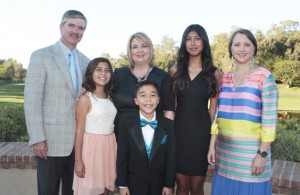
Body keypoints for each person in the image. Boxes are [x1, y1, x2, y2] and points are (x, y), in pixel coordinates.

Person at [24, 10, 90, 195]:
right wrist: (37, 138)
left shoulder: (87, 62)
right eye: (71, 25)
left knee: (74, 192)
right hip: (50, 142)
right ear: (61, 27)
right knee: (47, 191)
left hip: (78, 145)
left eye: (81, 28)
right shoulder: (41, 56)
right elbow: (32, 101)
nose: (76, 31)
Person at [207, 29, 279, 195]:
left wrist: (262, 154)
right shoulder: (224, 78)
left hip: (251, 159)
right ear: (231, 49)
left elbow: (270, 121)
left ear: (254, 49)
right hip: (224, 159)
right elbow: (218, 115)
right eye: (237, 44)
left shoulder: (264, 77)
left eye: (247, 44)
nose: (242, 49)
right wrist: (212, 146)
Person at [170, 24, 222, 195]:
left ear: (204, 42)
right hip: (179, 133)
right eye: (188, 39)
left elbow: (214, 111)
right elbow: (173, 106)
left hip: (201, 135)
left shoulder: (214, 74)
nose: (192, 43)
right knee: (182, 186)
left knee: (197, 186)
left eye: (197, 38)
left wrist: (214, 141)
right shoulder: (175, 70)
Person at [116, 80, 176, 195]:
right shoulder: (126, 123)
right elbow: (122, 155)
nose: (148, 99)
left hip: (159, 185)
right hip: (133, 184)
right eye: (143, 95)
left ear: (158, 100)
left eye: (153, 95)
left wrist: (168, 184)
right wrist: (122, 184)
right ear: (136, 101)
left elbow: (171, 157)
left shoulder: (168, 125)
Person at [112, 32, 175, 141]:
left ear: (150, 49)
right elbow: (101, 92)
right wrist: (86, 88)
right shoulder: (119, 74)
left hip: (153, 137)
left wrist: (165, 137)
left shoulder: (162, 76)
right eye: (135, 47)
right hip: (121, 135)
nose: (139, 50)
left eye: (144, 46)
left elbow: (168, 110)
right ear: (130, 51)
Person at [72, 57, 117, 195]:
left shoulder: (111, 97)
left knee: (105, 190)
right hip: (91, 149)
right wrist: (78, 160)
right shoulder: (86, 99)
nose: (103, 73)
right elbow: (79, 130)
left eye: (107, 70)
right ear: (91, 73)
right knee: (89, 190)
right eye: (98, 70)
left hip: (109, 147)